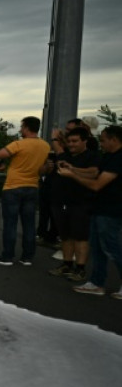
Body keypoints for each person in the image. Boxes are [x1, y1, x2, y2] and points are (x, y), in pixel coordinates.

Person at [57, 125, 122, 298]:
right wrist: (72, 168)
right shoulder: (109, 156)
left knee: (112, 248)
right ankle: (96, 283)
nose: (101, 143)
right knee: (98, 249)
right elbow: (94, 175)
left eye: (103, 140)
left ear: (114, 140)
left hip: (110, 210)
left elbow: (96, 184)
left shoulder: (118, 159)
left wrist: (72, 175)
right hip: (98, 208)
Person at [0, 116, 51, 266]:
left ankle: (7, 256)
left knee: (11, 223)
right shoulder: (45, 146)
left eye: (21, 126)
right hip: (32, 187)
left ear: (26, 128)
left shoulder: (19, 144)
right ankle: (27, 257)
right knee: (29, 224)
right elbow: (43, 169)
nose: (20, 129)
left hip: (13, 187)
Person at [47, 127, 98, 281]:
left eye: (75, 141)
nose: (71, 144)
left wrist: (73, 170)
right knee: (65, 236)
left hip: (81, 202)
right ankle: (66, 264)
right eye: (69, 141)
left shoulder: (92, 156)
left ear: (85, 141)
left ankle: (80, 269)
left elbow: (94, 172)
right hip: (61, 202)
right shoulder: (65, 155)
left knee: (80, 237)